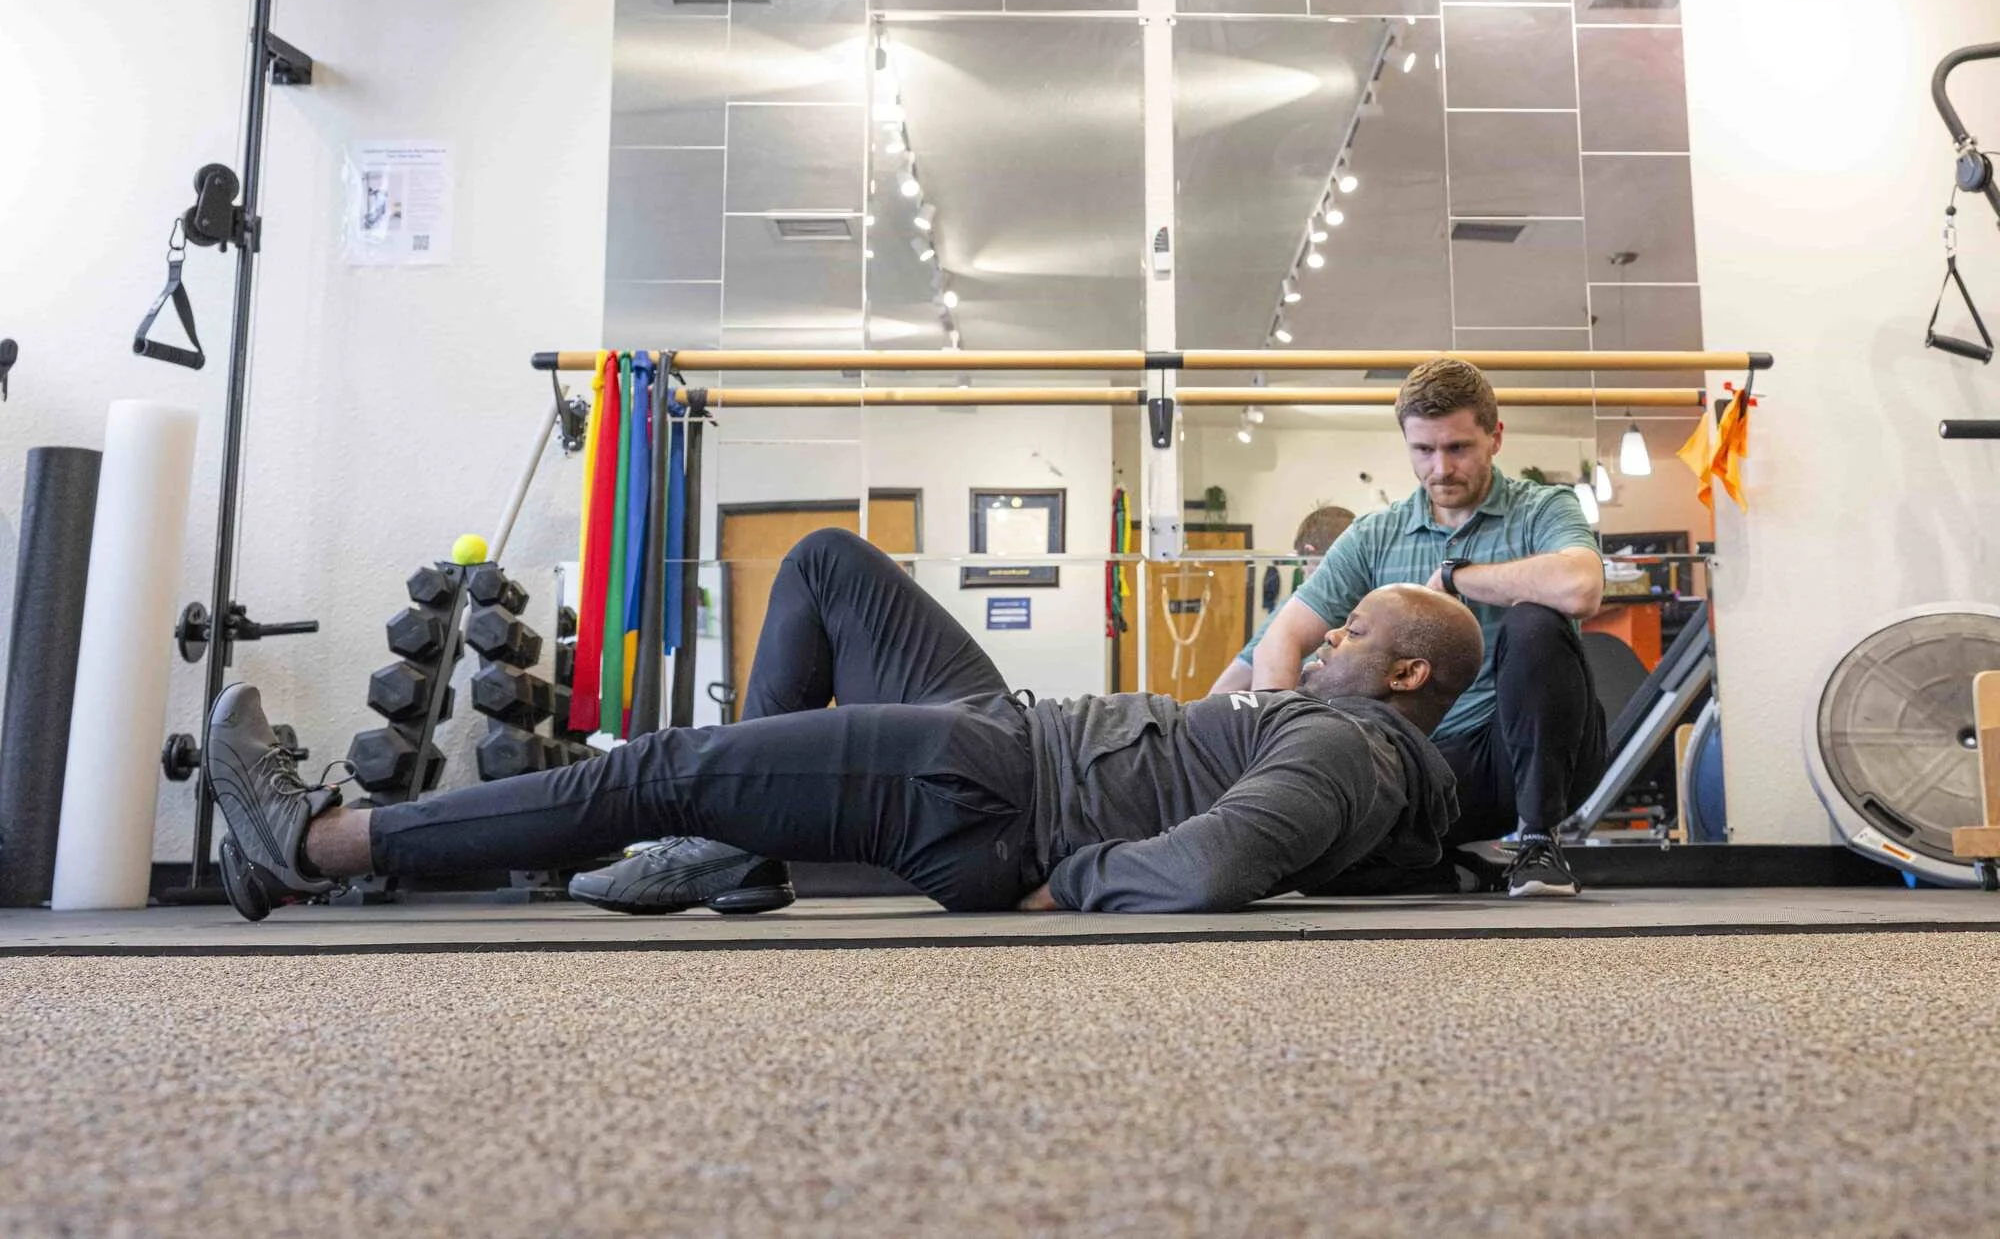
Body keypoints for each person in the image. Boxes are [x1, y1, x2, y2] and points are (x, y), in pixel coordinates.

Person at [205, 528, 1483, 921]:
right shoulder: (1360, 747)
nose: (1322, 637)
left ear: (1406, 679)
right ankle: (733, 847)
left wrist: (1059, 878)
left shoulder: (1342, 745)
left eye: (1353, 633)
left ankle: (310, 842)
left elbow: (1210, 865)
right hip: (1003, 737)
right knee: (822, 563)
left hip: (992, 790)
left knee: (664, 766)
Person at [1249, 358, 1608, 899]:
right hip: (1424, 768)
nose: (1441, 467)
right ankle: (1463, 868)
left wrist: (1456, 576)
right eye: (1423, 450)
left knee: (1535, 619)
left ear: (1495, 437)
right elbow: (1282, 639)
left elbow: (1581, 587)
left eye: (1458, 447)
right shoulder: (1376, 536)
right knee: (1304, 866)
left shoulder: (1540, 510)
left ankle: (1537, 844)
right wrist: (1272, 769)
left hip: (1524, 755)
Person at [1209, 504, 1357, 696]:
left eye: (1302, 565)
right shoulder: (1369, 608)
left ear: (1309, 553)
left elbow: (1225, 689)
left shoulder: (1297, 607)